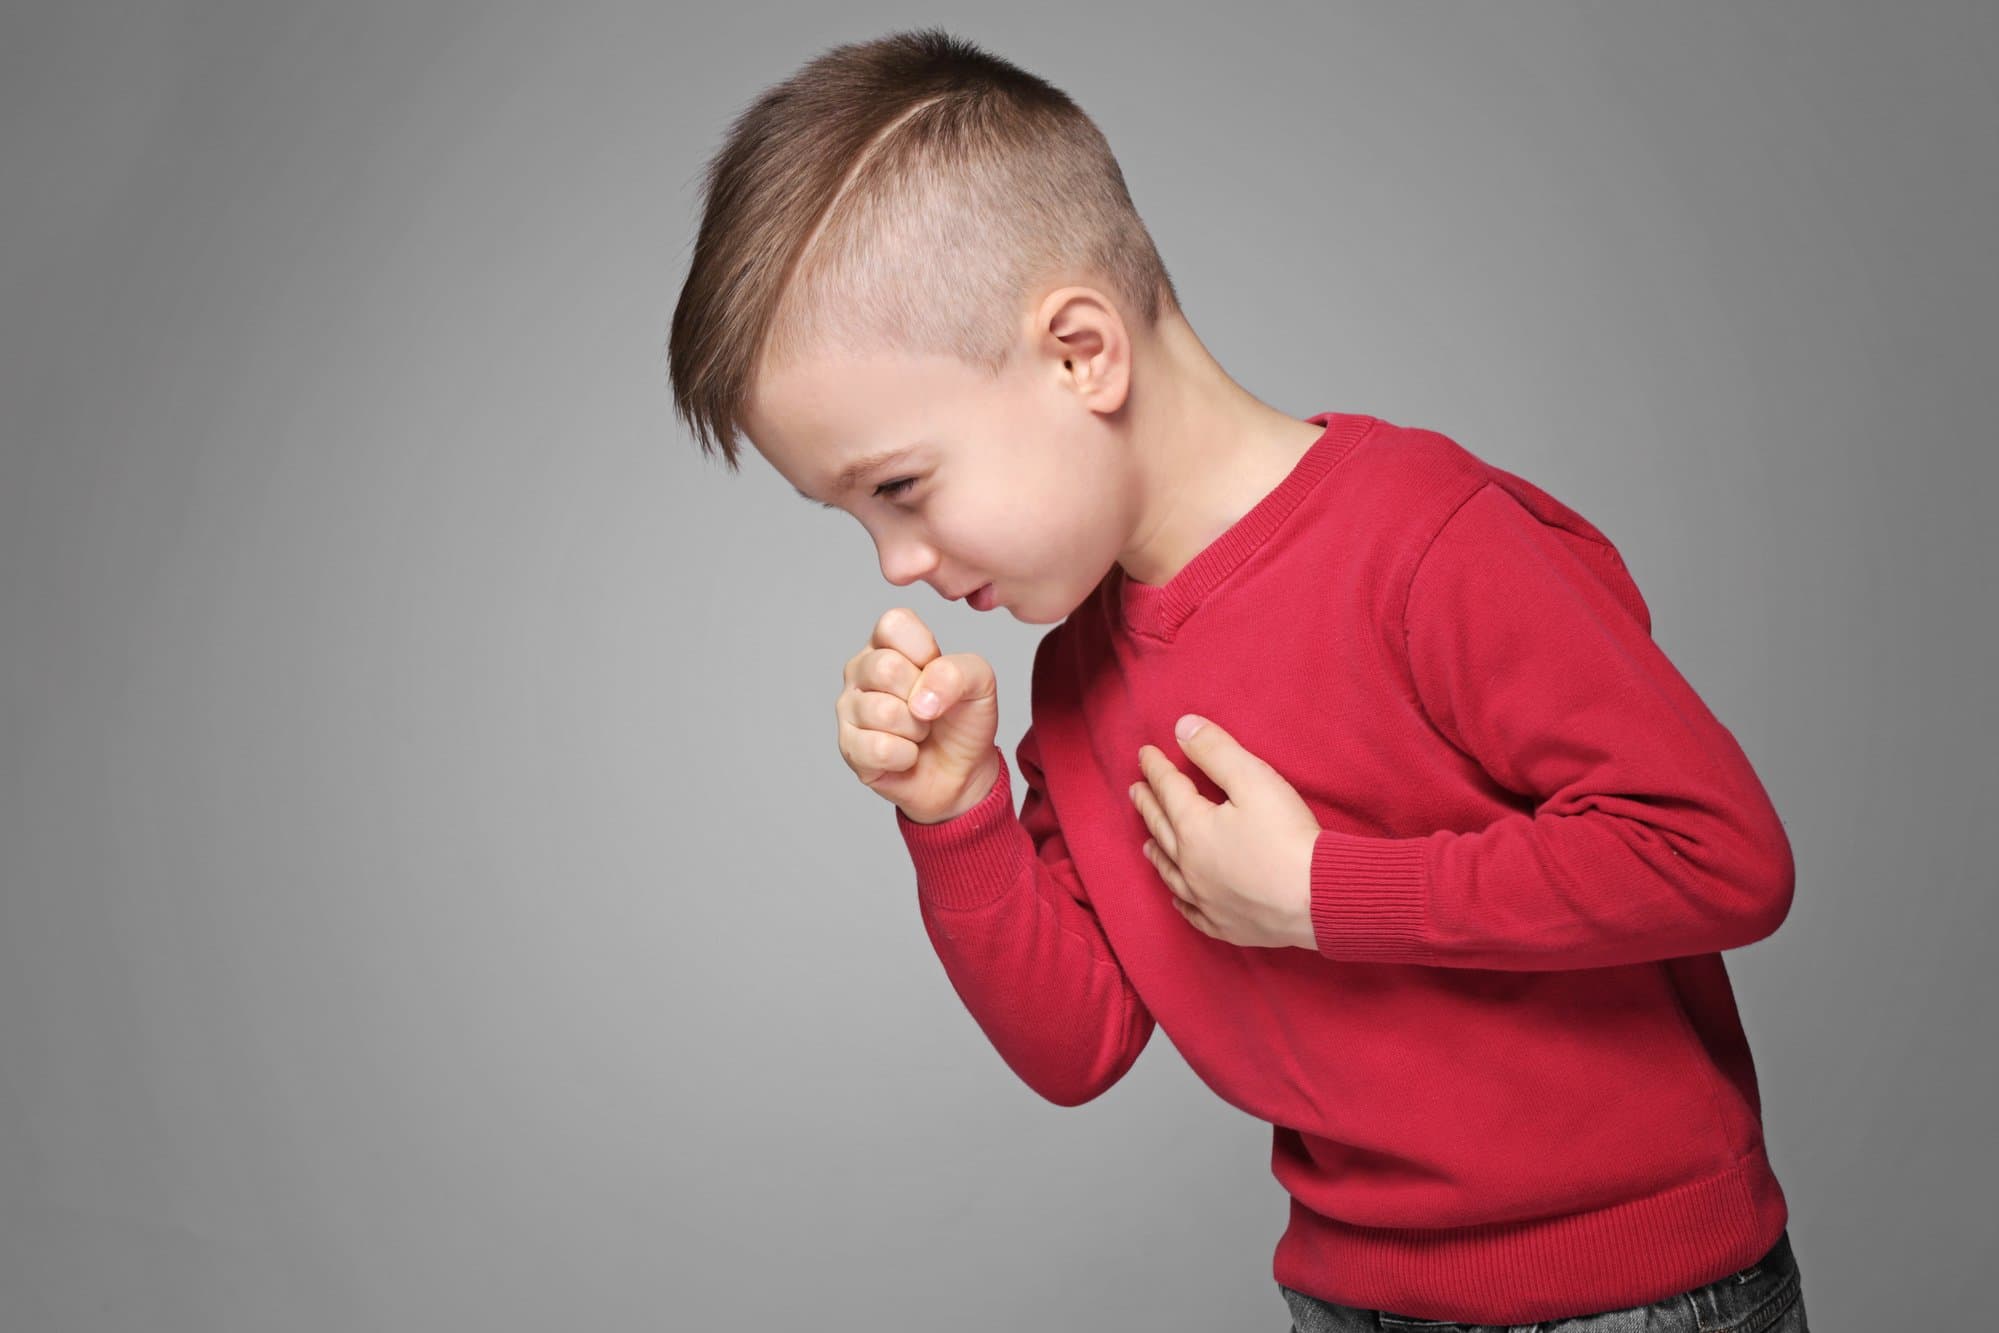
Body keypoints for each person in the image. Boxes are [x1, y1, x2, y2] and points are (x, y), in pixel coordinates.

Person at [666, 26, 1809, 1332]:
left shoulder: (1425, 546)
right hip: (1347, 1293)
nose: (899, 562)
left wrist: (1325, 891)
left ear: (1082, 353)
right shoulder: (1080, 683)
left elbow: (1721, 854)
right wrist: (956, 812)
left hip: (1635, 1297)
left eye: (902, 488)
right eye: (856, 517)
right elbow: (1080, 1041)